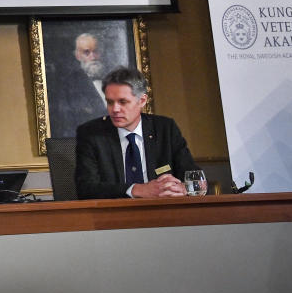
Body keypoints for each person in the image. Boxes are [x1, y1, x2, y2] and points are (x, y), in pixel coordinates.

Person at [74, 67, 199, 199]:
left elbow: (194, 176)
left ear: (142, 101)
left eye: (123, 102)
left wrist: (184, 188)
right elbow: (86, 188)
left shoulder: (165, 129)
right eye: (110, 102)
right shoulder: (91, 134)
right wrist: (137, 190)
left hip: (163, 211)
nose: (115, 109)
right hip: (113, 214)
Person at [47, 33, 108, 137]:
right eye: (86, 52)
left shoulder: (116, 79)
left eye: (96, 51)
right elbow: (67, 127)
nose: (93, 57)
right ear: (78, 56)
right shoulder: (68, 87)